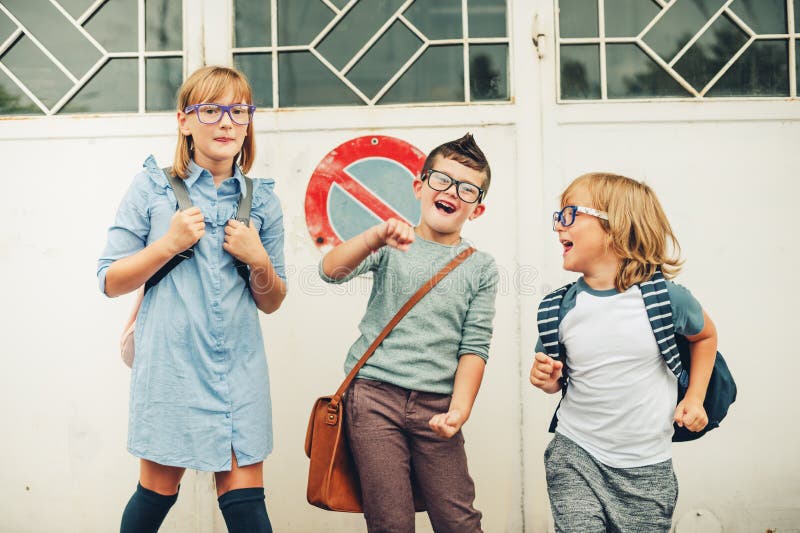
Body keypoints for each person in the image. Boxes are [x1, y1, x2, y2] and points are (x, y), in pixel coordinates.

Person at [97, 66, 286, 533]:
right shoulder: (151, 188)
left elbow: (273, 300)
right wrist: (167, 244)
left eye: (238, 111)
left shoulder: (263, 201)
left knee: (247, 509)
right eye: (211, 110)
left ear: (248, 121)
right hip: (172, 371)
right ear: (184, 121)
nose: (226, 122)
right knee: (154, 498)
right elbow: (109, 280)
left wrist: (259, 260)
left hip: (238, 371)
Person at [319, 133, 498, 532]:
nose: (451, 191)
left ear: (477, 208)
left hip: (438, 406)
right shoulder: (389, 241)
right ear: (420, 187)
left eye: (467, 188)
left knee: (458, 519)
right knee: (389, 521)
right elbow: (329, 272)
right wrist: (374, 236)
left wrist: (460, 410)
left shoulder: (480, 267)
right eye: (442, 180)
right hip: (373, 399)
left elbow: (475, 346)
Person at [529, 172, 718, 532]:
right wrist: (547, 380)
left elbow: (705, 337)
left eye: (569, 215)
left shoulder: (666, 299)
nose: (558, 226)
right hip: (575, 455)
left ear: (614, 228)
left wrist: (695, 398)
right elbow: (554, 377)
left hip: (647, 470)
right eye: (558, 216)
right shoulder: (559, 307)